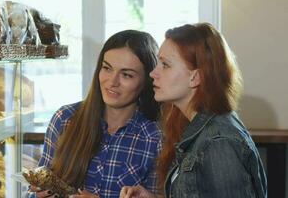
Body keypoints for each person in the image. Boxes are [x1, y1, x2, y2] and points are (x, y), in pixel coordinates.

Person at [120, 23, 267, 198]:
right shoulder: (198, 127)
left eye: (165, 65)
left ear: (195, 77)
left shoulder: (218, 142)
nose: (153, 73)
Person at [29, 30, 162, 198]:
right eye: (107, 68)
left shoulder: (156, 136)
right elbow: (35, 189)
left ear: (146, 81)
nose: (112, 82)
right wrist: (39, 194)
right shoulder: (64, 119)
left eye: (126, 75)